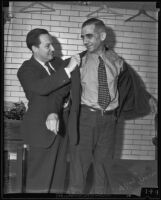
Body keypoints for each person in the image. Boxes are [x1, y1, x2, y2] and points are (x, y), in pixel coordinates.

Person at [66, 18, 157, 194]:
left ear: (102, 35)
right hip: (85, 119)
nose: (85, 41)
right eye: (82, 37)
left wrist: (147, 97)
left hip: (109, 121)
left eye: (89, 36)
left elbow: (130, 85)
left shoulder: (117, 61)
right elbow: (59, 84)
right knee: (79, 170)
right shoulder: (78, 61)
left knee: (103, 169)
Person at [17, 28, 80, 193]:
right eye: (48, 46)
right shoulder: (26, 70)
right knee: (39, 181)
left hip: (61, 126)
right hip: (40, 130)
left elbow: (62, 88)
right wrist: (67, 71)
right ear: (34, 48)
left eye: (52, 44)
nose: (53, 49)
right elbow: (43, 88)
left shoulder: (56, 63)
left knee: (58, 178)